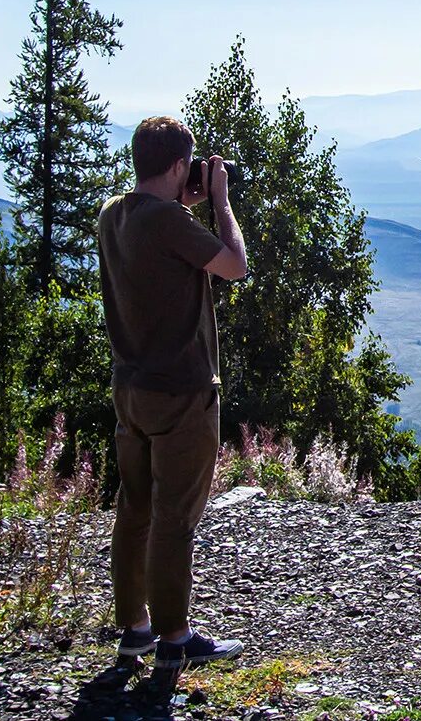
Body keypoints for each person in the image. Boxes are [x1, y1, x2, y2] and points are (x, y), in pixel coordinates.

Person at [97, 115, 251, 676]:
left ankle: (134, 629)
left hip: (130, 389)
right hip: (182, 395)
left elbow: (158, 250)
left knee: (133, 511)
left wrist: (185, 201)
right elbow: (233, 266)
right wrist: (221, 204)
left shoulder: (113, 216)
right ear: (181, 165)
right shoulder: (169, 222)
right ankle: (175, 637)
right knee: (175, 519)